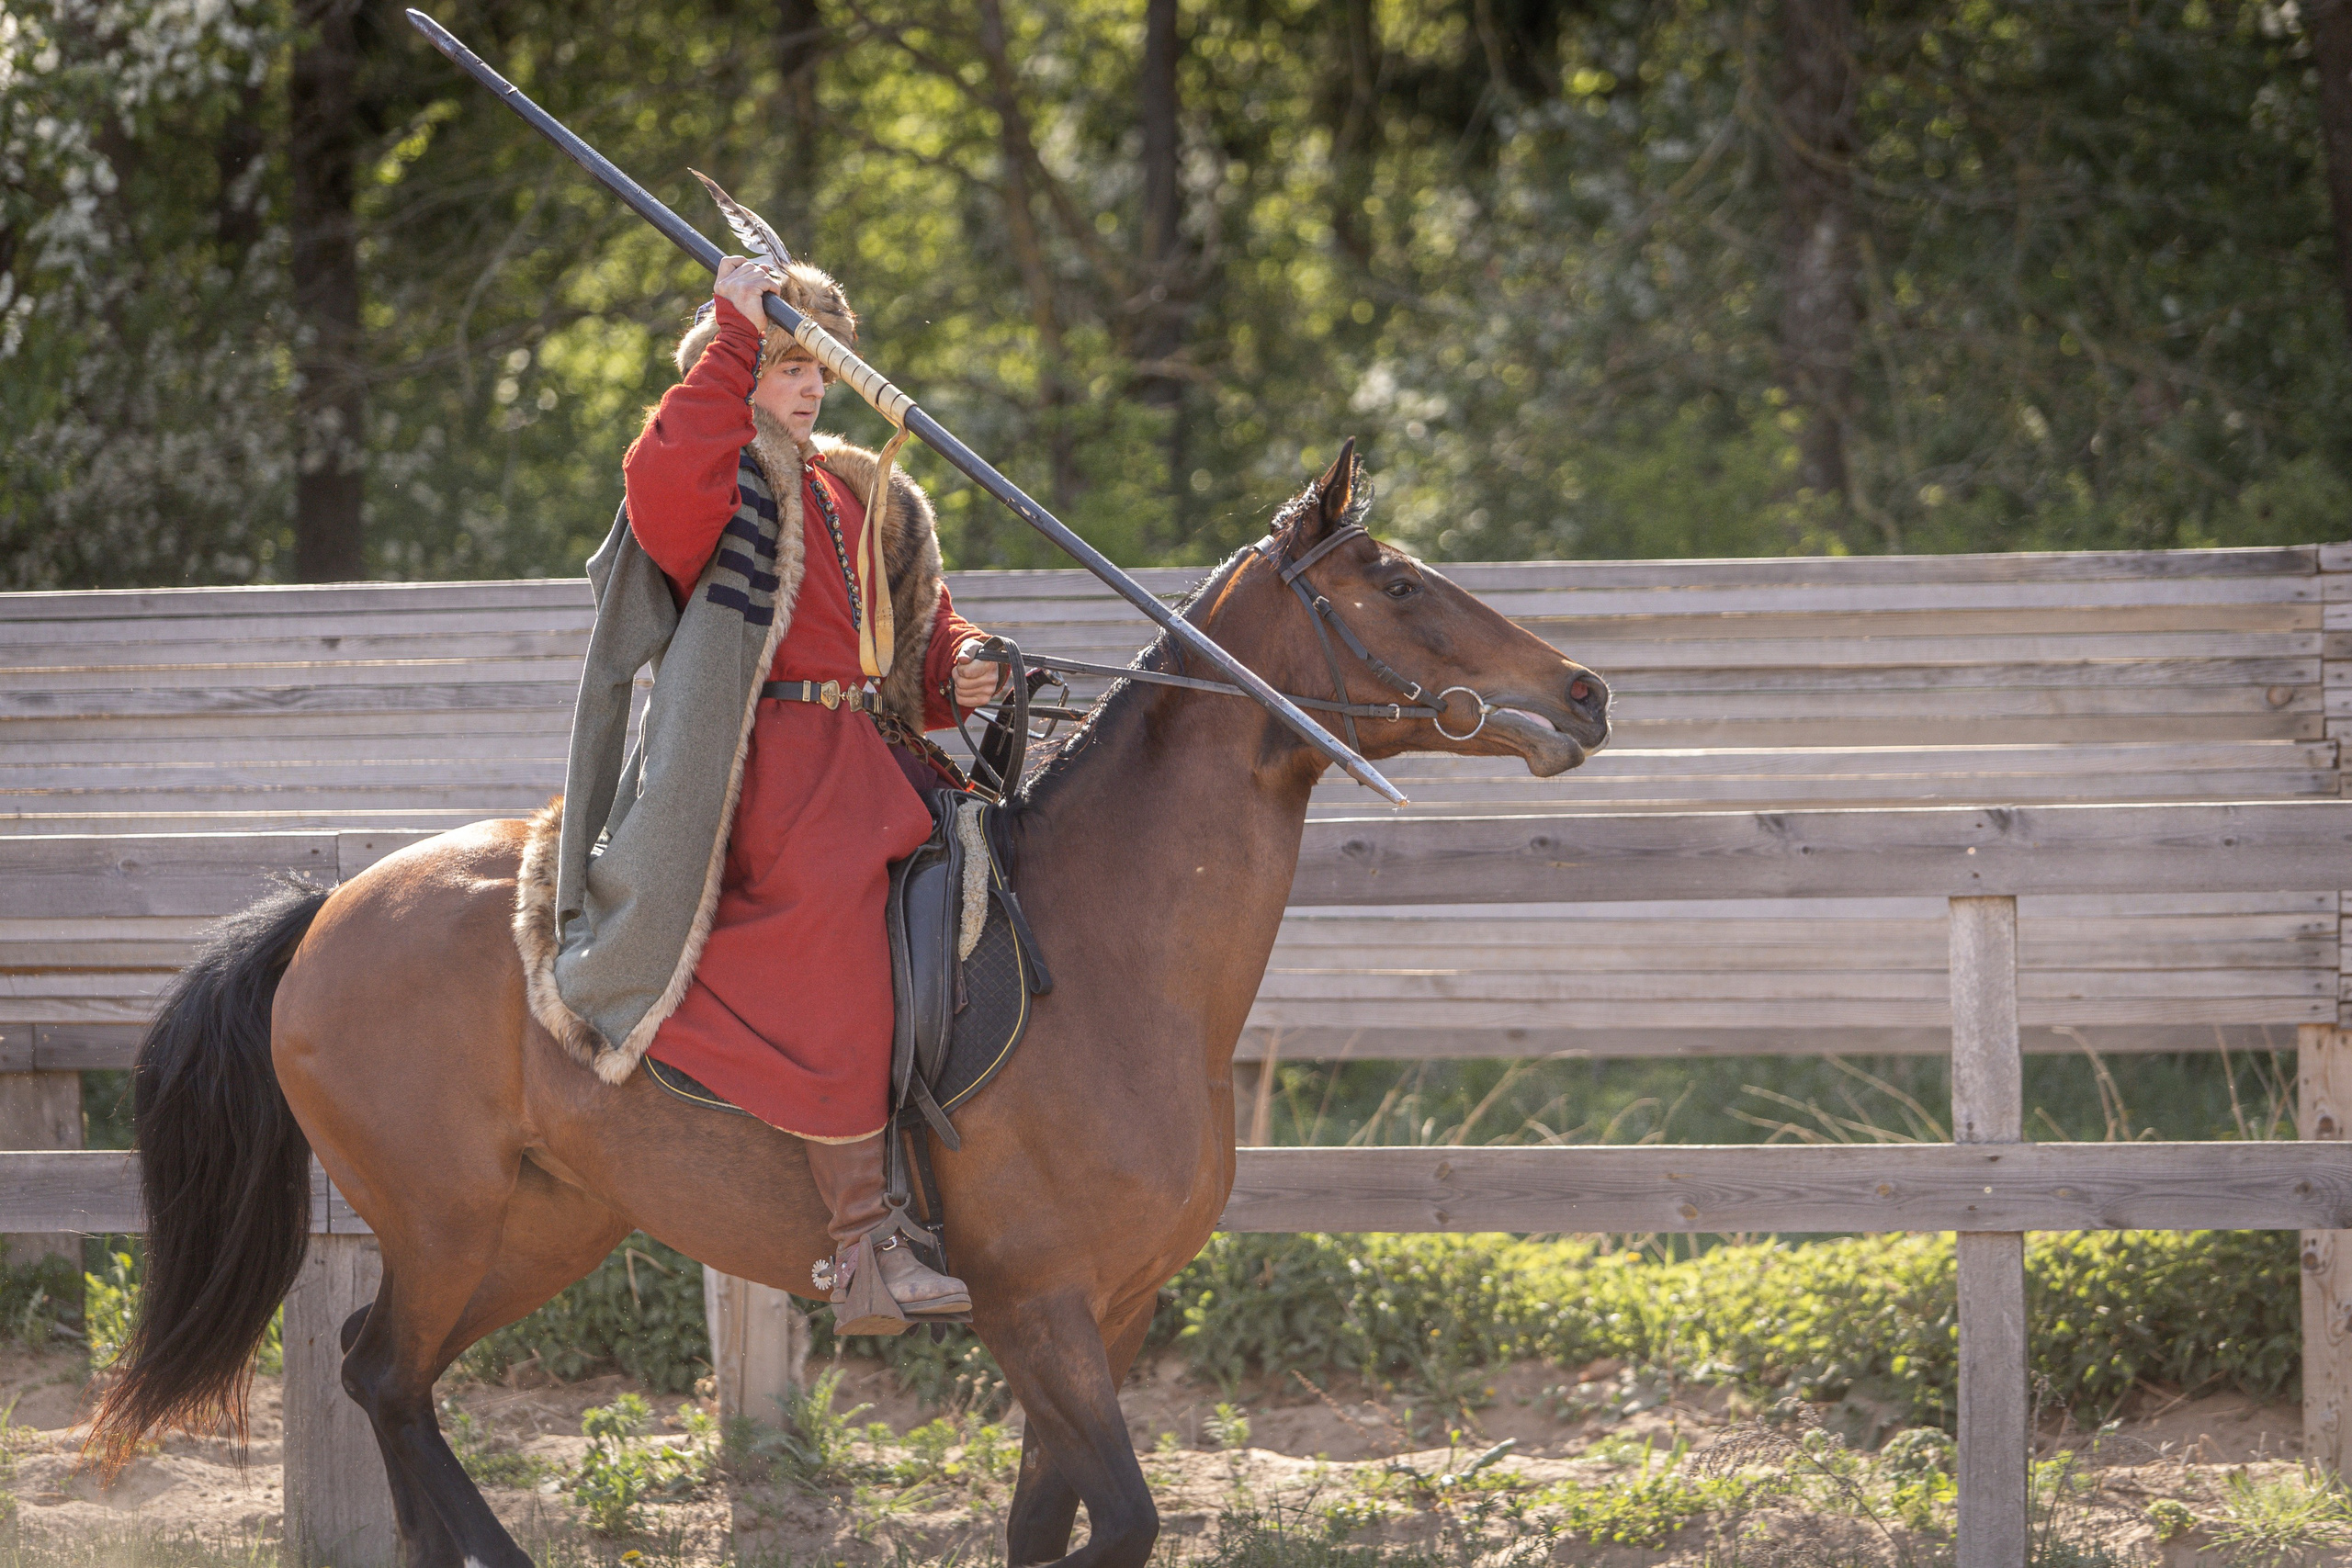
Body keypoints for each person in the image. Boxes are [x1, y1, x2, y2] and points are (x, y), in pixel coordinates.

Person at [614, 252, 1003, 1323]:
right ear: (739, 368)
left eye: (817, 366)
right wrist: (738, 333)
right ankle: (862, 1246)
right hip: (772, 770)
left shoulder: (862, 489)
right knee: (830, 925)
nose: (807, 385)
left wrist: (957, 668)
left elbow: (915, 633)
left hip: (875, 756)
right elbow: (659, 492)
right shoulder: (721, 475)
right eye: (787, 363)